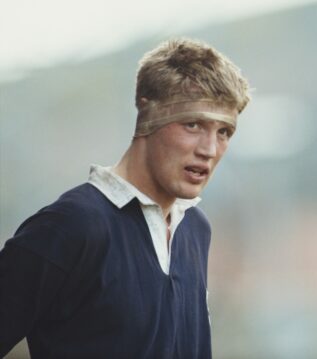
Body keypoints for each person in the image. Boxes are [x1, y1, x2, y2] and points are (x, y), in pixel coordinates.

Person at [0, 38, 250, 358]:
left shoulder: (195, 228)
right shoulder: (71, 225)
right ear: (147, 114)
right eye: (193, 124)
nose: (209, 149)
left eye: (224, 132)